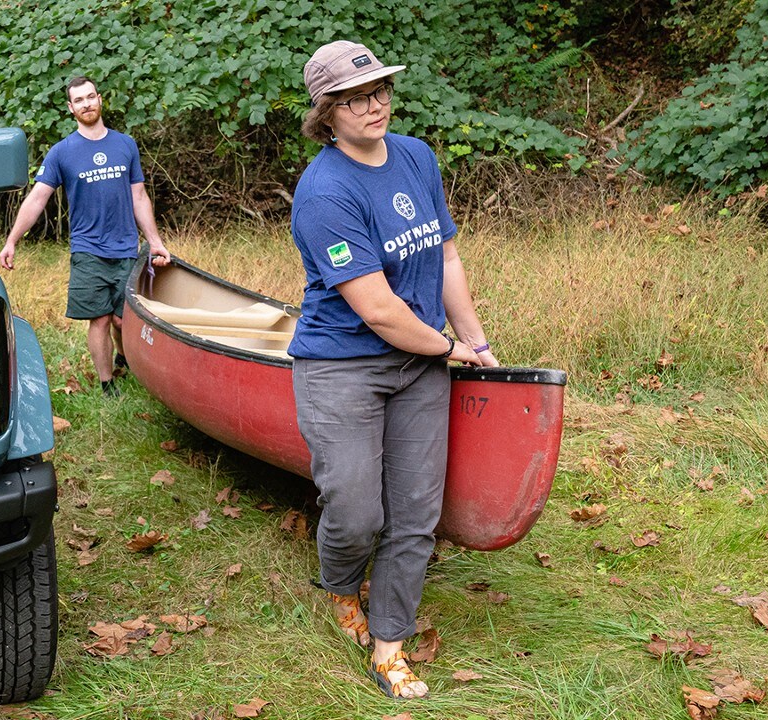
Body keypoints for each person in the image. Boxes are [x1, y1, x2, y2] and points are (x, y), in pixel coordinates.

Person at [289, 41, 499, 700]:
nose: (373, 103)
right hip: (341, 368)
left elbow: (448, 260)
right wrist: (446, 348)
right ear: (327, 112)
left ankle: (390, 642)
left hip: (420, 366)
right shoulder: (324, 191)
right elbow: (377, 308)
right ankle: (342, 584)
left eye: (378, 89)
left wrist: (475, 339)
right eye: (355, 97)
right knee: (355, 511)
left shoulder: (415, 156)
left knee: (414, 512)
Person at [0, 76, 171, 396]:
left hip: (126, 247)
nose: (87, 104)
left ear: (100, 99)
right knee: (101, 319)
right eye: (79, 100)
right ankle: (108, 384)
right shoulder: (62, 153)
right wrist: (12, 240)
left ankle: (124, 356)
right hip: (87, 249)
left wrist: (155, 241)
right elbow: (37, 198)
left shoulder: (125, 144)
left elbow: (139, 197)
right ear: (70, 108)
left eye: (90, 97)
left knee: (124, 321)